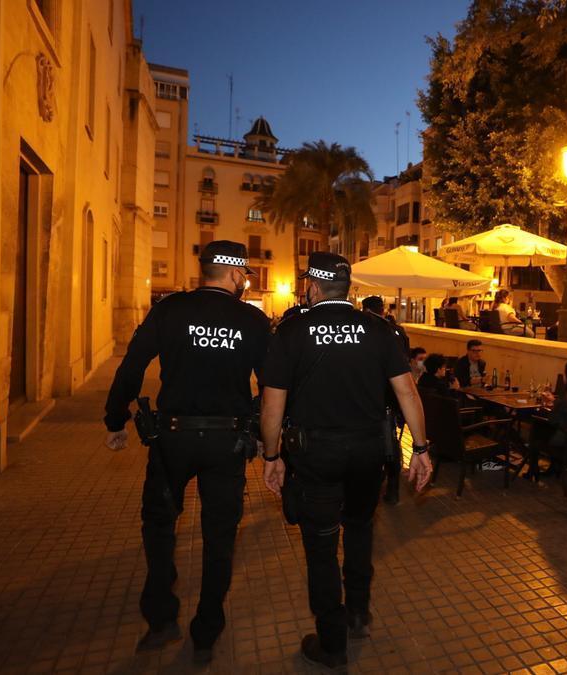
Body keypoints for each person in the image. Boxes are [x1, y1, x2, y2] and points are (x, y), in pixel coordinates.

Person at [259, 251, 432, 670]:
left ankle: (332, 642)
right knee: (359, 530)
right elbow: (408, 392)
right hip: (368, 453)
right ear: (347, 287)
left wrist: (271, 455)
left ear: (313, 287)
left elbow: (272, 405)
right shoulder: (377, 330)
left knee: (320, 545)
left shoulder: (291, 331)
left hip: (315, 454)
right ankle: (358, 612)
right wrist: (422, 449)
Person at [103, 240, 271, 664]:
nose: (244, 281)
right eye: (244, 275)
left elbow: (131, 366)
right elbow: (273, 385)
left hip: (172, 439)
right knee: (220, 537)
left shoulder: (170, 310)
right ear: (234, 274)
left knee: (159, 526)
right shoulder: (252, 320)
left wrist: (114, 419)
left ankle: (161, 619)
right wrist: (260, 428)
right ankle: (206, 630)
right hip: (226, 442)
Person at [362, 295, 409, 505]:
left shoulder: (370, 330)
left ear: (366, 309)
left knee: (378, 445)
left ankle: (379, 483)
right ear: (382, 309)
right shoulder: (398, 331)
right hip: (393, 397)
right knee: (391, 443)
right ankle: (393, 487)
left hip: (373, 398)